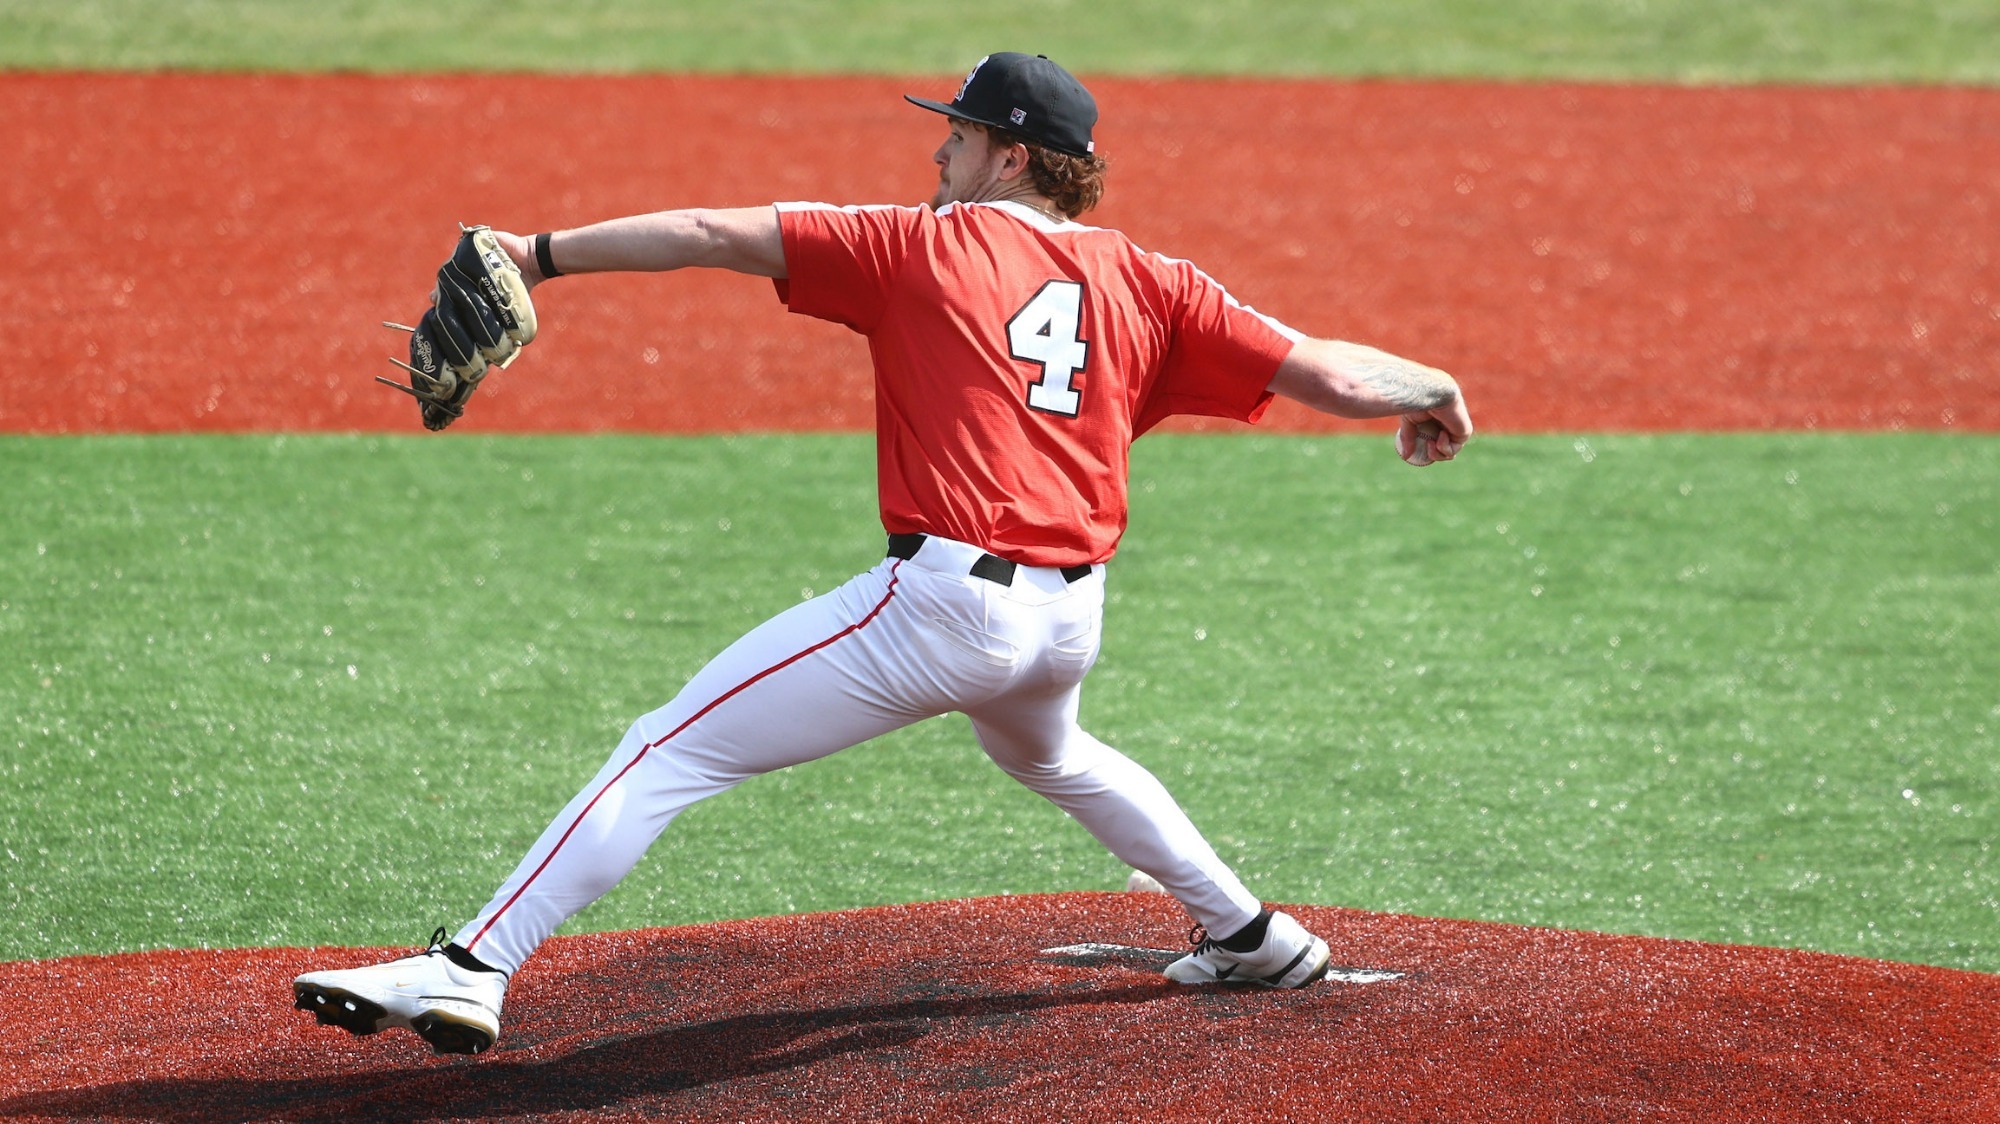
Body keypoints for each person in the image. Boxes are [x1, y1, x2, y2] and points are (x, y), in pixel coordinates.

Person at [294, 51, 1472, 1056]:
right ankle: (1250, 934)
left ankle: (471, 964)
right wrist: (1434, 386)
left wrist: (536, 250)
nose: (938, 156)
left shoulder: (924, 246)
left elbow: (716, 232)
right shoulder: (1151, 280)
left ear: (1010, 155)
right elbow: (1319, 367)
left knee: (667, 747)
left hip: (946, 609)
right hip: (1067, 620)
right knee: (1054, 755)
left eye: (956, 135)